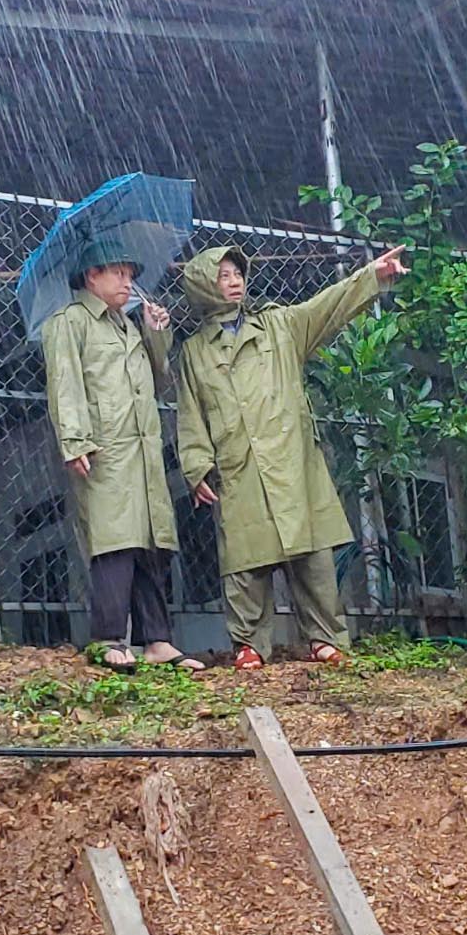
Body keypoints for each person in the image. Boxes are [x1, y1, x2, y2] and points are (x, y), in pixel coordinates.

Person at [175, 243, 407, 668]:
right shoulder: (194, 352)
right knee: (245, 559)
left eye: (237, 274)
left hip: (290, 459)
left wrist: (371, 276)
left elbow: (326, 308)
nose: (234, 282)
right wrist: (196, 466)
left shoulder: (279, 325)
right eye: (222, 276)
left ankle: (324, 637)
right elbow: (191, 413)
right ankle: (248, 644)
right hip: (237, 463)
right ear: (203, 287)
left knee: (312, 555)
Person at [42, 237, 205, 672]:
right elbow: (65, 384)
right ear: (91, 276)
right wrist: (75, 440)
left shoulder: (128, 323)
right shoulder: (70, 322)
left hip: (141, 448)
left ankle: (156, 639)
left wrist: (156, 331)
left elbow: (159, 373)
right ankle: (109, 636)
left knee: (149, 541)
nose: (128, 282)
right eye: (118, 273)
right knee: (114, 541)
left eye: (130, 275)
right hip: (105, 448)